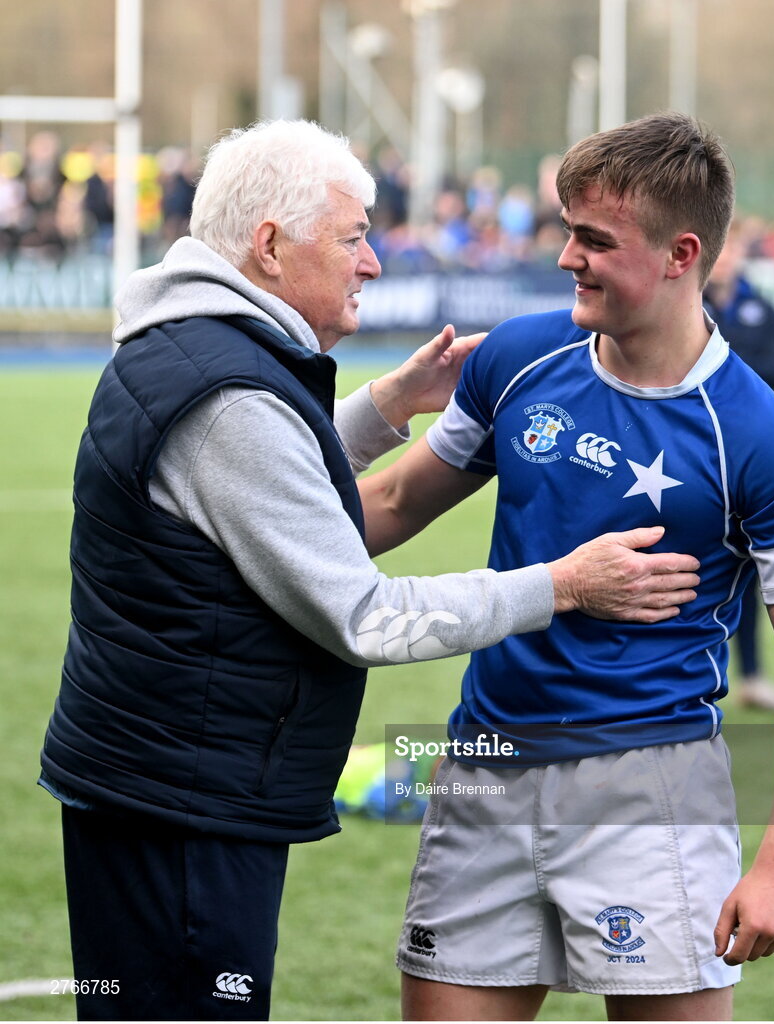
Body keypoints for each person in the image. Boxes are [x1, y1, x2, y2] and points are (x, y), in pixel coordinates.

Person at [37, 119, 701, 1022]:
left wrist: (390, 404)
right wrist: (564, 584)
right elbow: (363, 614)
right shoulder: (228, 394)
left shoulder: (186, 342)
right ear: (269, 246)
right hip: (182, 797)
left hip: (155, 776)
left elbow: (259, 492)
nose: (372, 263)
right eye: (352, 237)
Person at [356, 112, 774, 1021]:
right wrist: (234, 536)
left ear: (680, 253)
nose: (565, 258)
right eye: (565, 231)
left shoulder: (757, 438)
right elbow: (390, 506)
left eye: (593, 239)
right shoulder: (516, 358)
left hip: (651, 785)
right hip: (482, 767)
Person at [703, 219, 774, 712]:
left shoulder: (759, 307)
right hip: (691, 454)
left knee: (756, 570)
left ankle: (754, 676)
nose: (726, 259)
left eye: (733, 249)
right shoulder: (687, 308)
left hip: (750, 457)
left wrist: (733, 371)